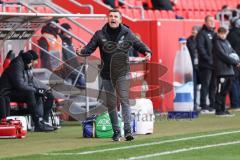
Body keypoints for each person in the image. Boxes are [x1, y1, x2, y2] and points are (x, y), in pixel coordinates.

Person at [76, 9, 151, 141]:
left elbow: (138, 44)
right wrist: (81, 51)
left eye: (116, 16)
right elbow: (89, 48)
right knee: (111, 104)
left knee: (124, 100)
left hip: (122, 72)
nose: (113, 18)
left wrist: (147, 51)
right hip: (106, 74)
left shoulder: (127, 33)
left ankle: (128, 131)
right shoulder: (100, 34)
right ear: (108, 19)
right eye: (110, 16)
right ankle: (116, 131)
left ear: (120, 19)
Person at [0, 51, 55, 132]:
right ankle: (37, 123)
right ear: (27, 61)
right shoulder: (16, 66)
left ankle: (41, 121)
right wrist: (36, 90)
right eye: (31, 63)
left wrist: (41, 90)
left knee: (38, 94)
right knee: (31, 93)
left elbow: (29, 83)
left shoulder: (24, 66)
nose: (31, 65)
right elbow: (20, 85)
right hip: (6, 93)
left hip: (14, 91)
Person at [213, 27, 240, 116]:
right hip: (221, 71)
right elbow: (223, 56)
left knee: (225, 91)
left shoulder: (227, 42)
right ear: (218, 33)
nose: (223, 35)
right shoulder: (217, 43)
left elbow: (233, 52)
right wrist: (235, 63)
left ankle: (223, 109)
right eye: (221, 33)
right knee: (220, 91)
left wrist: (237, 60)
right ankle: (218, 110)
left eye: (224, 33)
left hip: (229, 71)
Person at [196, 15, 216, 113]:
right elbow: (201, 48)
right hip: (205, 65)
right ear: (205, 22)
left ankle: (212, 104)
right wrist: (209, 60)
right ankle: (203, 105)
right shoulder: (201, 34)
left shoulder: (214, 33)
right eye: (210, 21)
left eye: (213, 20)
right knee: (206, 85)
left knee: (213, 85)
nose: (212, 22)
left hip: (215, 65)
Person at [59, 23, 86, 89]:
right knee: (80, 76)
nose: (69, 33)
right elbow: (68, 56)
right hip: (67, 66)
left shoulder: (69, 42)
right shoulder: (62, 42)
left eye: (70, 31)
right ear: (63, 31)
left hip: (73, 66)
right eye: (67, 31)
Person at [227, 18, 240, 110]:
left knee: (233, 82)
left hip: (234, 62)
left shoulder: (231, 34)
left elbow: (228, 50)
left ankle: (235, 104)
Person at [187, 26, 201, 110]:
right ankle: (194, 104)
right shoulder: (189, 40)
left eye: (195, 31)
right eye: (192, 30)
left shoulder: (201, 39)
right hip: (193, 66)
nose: (193, 32)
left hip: (202, 66)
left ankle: (206, 104)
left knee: (206, 85)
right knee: (194, 86)